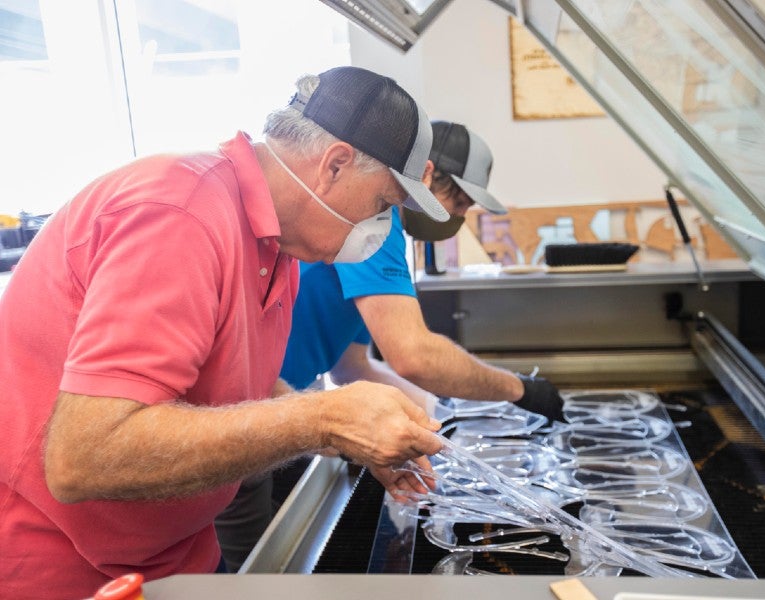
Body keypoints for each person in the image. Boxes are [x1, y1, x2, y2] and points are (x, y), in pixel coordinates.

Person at [0, 66, 449, 599]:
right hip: (67, 568)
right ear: (334, 165)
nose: (381, 227)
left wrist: (353, 436)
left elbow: (235, 388)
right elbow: (85, 456)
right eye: (382, 205)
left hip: (172, 555)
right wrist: (322, 419)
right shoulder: (178, 213)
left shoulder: (274, 242)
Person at [214, 121, 565, 571]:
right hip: (243, 415)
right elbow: (413, 355)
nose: (456, 217)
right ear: (426, 175)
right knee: (259, 572)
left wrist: (431, 422)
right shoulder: (376, 227)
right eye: (456, 201)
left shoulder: (380, 233)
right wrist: (519, 390)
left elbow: (353, 367)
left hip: (279, 407)